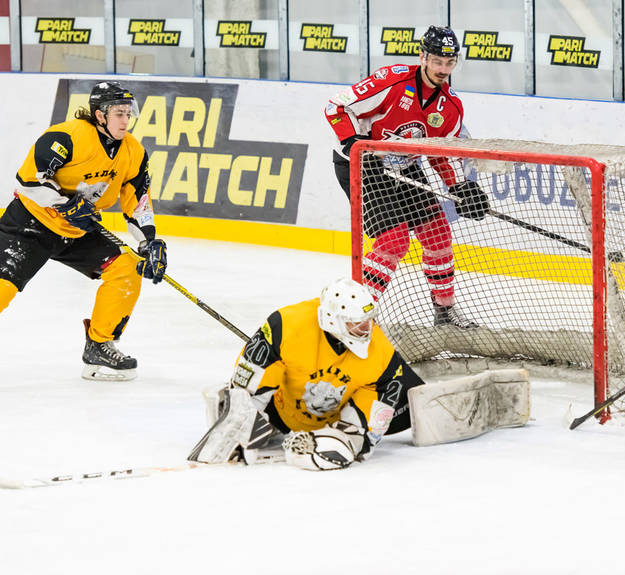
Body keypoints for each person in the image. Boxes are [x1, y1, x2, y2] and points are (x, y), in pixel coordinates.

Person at [0, 80, 167, 381]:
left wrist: (149, 242)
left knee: (127, 269)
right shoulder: (67, 137)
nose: (125, 120)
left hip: (77, 230)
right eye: (119, 113)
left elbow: (137, 201)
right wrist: (65, 204)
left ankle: (100, 345)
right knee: (3, 287)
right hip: (31, 223)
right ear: (100, 115)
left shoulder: (133, 152)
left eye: (128, 114)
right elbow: (30, 180)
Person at [324, 25, 489, 328]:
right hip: (362, 163)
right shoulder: (393, 80)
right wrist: (352, 141)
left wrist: (459, 188)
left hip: (404, 166)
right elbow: (335, 106)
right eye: (437, 61)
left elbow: (441, 153)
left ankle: (445, 312)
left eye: (449, 63)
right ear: (423, 56)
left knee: (438, 232)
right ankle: (357, 317)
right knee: (393, 240)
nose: (443, 69)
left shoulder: (450, 106)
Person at [188, 278, 426, 471]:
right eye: (357, 323)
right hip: (278, 410)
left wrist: (349, 438)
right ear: (334, 320)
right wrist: (240, 415)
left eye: (368, 320)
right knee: (233, 412)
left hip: (331, 419)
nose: (367, 329)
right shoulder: (287, 325)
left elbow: (369, 422)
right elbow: (247, 383)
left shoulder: (381, 353)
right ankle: (231, 409)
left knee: (349, 442)